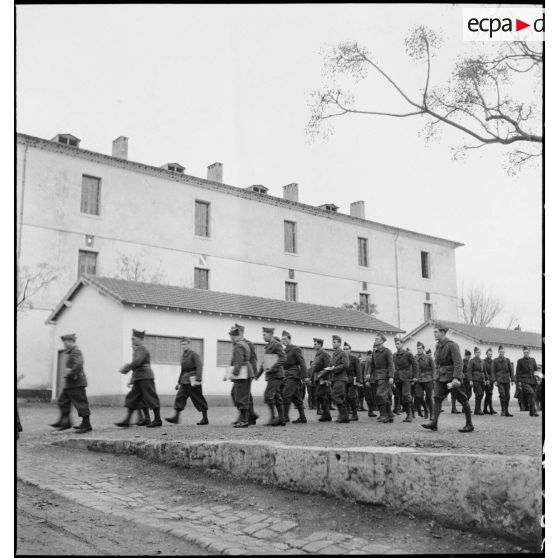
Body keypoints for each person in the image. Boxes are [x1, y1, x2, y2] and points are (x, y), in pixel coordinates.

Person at [422, 323, 474, 433]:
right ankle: (434, 423)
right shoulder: (438, 345)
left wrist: (456, 378)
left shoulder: (452, 345)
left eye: (436, 332)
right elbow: (438, 362)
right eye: (434, 332)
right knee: (437, 398)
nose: (434, 334)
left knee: (462, 399)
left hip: (452, 377)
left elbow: (458, 363)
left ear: (443, 332)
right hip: (440, 377)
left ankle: (469, 424)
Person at [115, 329, 162, 428]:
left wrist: (126, 368)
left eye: (134, 339)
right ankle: (127, 420)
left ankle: (157, 419)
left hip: (145, 377)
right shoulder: (138, 349)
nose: (132, 341)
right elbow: (136, 366)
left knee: (151, 397)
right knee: (132, 398)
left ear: (140, 339)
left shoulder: (142, 348)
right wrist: (132, 379)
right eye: (131, 339)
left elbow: (137, 362)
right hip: (139, 377)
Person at [50, 334, 92, 434]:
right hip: (70, 384)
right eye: (64, 342)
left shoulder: (76, 351)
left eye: (65, 342)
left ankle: (87, 425)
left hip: (76, 383)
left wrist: (70, 373)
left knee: (80, 404)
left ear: (71, 341)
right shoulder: (71, 352)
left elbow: (78, 365)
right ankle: (65, 421)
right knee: (62, 401)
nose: (64, 344)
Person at [166, 337, 209, 426]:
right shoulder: (183, 356)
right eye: (182, 344)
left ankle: (205, 418)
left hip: (193, 381)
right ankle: (176, 417)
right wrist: (178, 382)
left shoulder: (194, 354)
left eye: (185, 344)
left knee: (198, 399)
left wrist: (198, 379)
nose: (183, 346)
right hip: (185, 381)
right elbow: (182, 370)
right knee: (180, 397)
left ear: (189, 344)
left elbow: (199, 366)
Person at [256, 327, 286, 426]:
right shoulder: (269, 346)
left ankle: (273, 418)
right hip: (272, 376)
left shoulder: (276, 344)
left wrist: (273, 367)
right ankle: (281, 419)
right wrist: (258, 375)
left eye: (264, 335)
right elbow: (265, 362)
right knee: (277, 398)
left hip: (276, 375)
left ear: (270, 334)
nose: (263, 337)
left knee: (268, 396)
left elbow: (283, 358)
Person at [228, 325, 256, 428]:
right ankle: (243, 419)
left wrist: (234, 374)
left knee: (241, 396)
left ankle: (244, 420)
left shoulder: (238, 345)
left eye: (232, 336)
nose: (231, 338)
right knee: (242, 395)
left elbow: (239, 362)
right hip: (246, 372)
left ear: (236, 336)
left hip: (243, 373)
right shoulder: (243, 343)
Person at [365, 332, 395, 424]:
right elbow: (372, 365)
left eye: (377, 339)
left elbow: (391, 365)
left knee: (380, 394)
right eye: (375, 339)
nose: (375, 340)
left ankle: (385, 415)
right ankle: (387, 415)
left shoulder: (387, 351)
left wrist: (391, 376)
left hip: (385, 376)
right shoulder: (374, 351)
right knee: (381, 396)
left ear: (382, 341)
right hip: (377, 376)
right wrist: (369, 373)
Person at [320, 335, 350, 423]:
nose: (333, 344)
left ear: (339, 343)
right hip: (335, 378)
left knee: (335, 395)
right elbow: (330, 365)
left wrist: (334, 368)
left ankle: (343, 415)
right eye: (332, 342)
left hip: (341, 378)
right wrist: (323, 373)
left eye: (335, 342)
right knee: (337, 396)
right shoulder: (334, 354)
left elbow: (346, 365)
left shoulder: (343, 353)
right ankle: (344, 416)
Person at [281, 330, 308, 424]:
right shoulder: (284, 351)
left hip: (294, 375)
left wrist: (305, 376)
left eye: (285, 339)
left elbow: (302, 362)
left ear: (289, 339)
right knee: (296, 398)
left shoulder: (295, 349)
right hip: (287, 375)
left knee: (285, 395)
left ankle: (285, 417)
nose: (283, 341)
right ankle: (303, 417)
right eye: (282, 339)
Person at [393, 338, 418, 422]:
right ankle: (410, 412)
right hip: (397, 378)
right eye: (396, 344)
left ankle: (409, 415)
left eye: (398, 343)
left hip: (406, 377)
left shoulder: (408, 354)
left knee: (406, 395)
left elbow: (415, 364)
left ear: (402, 344)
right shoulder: (394, 355)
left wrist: (415, 376)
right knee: (400, 396)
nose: (397, 345)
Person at [516, 346, 540, 418]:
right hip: (524, 380)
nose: (526, 353)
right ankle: (535, 411)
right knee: (532, 393)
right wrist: (519, 382)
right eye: (524, 352)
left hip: (533, 380)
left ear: (529, 352)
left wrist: (539, 378)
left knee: (531, 396)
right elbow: (518, 372)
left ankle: (531, 412)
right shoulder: (520, 361)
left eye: (527, 352)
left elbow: (536, 371)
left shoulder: (533, 360)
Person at [312, 338, 333, 422]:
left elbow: (328, 367)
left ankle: (327, 414)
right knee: (320, 396)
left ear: (320, 345)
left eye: (315, 344)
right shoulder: (317, 355)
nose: (314, 345)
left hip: (324, 379)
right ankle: (326, 414)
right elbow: (314, 368)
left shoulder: (325, 354)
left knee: (320, 395)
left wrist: (323, 376)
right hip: (318, 378)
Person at [492, 345, 514, 417]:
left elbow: (511, 370)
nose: (502, 353)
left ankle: (507, 411)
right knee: (502, 394)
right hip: (499, 380)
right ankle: (503, 411)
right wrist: (494, 380)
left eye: (503, 351)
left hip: (507, 380)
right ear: (498, 352)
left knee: (507, 395)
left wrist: (512, 380)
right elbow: (493, 371)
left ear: (504, 352)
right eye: (500, 351)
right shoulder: (495, 361)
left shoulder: (507, 360)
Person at [414, 342, 434, 420]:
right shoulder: (414, 357)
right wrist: (413, 377)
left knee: (429, 397)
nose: (419, 350)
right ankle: (426, 410)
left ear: (423, 349)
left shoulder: (428, 358)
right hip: (418, 380)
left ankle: (432, 414)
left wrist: (433, 378)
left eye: (420, 348)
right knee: (419, 396)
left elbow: (433, 368)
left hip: (428, 379)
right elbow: (413, 368)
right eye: (417, 348)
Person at [343, 342, 362, 421]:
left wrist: (358, 381)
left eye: (347, 349)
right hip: (344, 380)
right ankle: (346, 413)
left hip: (352, 380)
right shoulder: (342, 359)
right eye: (344, 349)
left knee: (352, 397)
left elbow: (358, 371)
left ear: (350, 350)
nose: (345, 351)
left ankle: (355, 414)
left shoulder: (354, 359)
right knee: (345, 398)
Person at [468, 347, 488, 416]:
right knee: (479, 393)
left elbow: (485, 371)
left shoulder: (482, 361)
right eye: (476, 352)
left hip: (482, 379)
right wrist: (470, 380)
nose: (478, 353)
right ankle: (478, 409)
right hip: (475, 379)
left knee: (481, 394)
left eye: (479, 352)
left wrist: (487, 379)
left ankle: (477, 409)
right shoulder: (472, 361)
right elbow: (469, 371)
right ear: (474, 353)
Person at [361, 351, 377, 417]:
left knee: (375, 396)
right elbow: (365, 370)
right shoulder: (368, 360)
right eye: (369, 355)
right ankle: (370, 411)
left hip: (376, 380)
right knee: (369, 397)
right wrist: (366, 381)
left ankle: (372, 410)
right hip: (370, 380)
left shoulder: (377, 359)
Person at [483, 348, 497, 415]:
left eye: (491, 354)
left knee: (489, 395)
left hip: (491, 380)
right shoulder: (483, 361)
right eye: (489, 354)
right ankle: (490, 409)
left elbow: (493, 372)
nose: (490, 355)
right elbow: (484, 372)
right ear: (486, 354)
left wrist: (494, 379)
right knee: (489, 394)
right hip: (486, 380)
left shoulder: (493, 362)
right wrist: (486, 380)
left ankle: (485, 409)